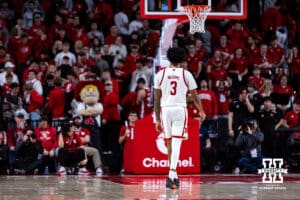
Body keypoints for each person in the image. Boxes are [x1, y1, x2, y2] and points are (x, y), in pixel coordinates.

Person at [154, 47, 206, 189]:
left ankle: (173, 175)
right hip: (179, 109)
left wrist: (157, 119)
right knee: (177, 143)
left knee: (170, 143)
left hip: (165, 109)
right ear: (182, 59)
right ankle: (171, 175)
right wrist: (201, 110)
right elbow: (195, 95)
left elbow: (156, 99)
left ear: (169, 59)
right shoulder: (186, 74)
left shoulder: (161, 74)